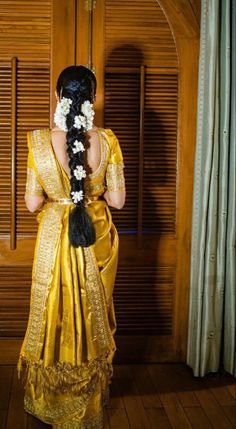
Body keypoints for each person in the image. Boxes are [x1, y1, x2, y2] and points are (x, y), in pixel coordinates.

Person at [17, 65, 126, 429]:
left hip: (53, 237)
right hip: (93, 237)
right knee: (91, 314)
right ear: (93, 99)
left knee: (54, 312)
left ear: (57, 97)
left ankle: (50, 399)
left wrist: (59, 196)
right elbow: (118, 200)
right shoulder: (107, 140)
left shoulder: (37, 141)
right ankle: (87, 401)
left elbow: (33, 205)